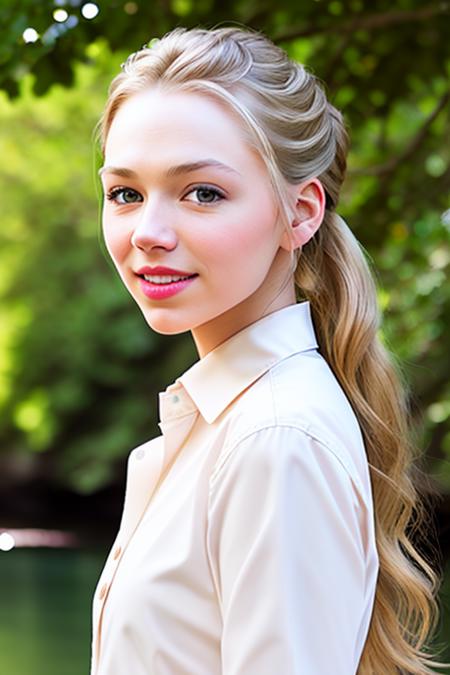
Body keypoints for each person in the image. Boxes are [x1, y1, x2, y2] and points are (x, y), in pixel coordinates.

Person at [90, 24, 447, 675]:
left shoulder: (275, 439)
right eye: (125, 193)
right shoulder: (231, 421)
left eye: (203, 192)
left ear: (300, 212)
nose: (148, 232)